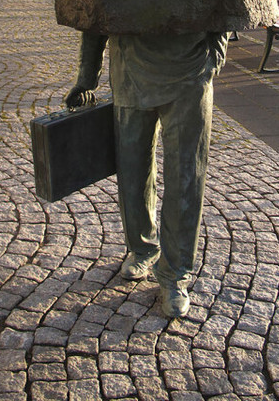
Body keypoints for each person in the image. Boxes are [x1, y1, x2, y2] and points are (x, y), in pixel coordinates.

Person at [65, 29, 229, 318]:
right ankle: (142, 247)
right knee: (132, 171)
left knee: (186, 175)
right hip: (130, 71)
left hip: (189, 72)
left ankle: (175, 273)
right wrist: (86, 78)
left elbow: (227, 3)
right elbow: (94, 12)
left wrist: (213, 59)